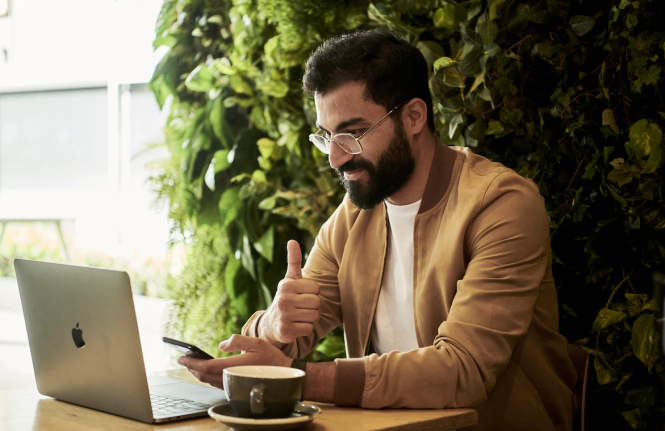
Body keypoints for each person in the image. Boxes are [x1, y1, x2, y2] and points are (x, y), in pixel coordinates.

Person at [178, 28, 578, 431]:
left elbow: (463, 370)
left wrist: (300, 380)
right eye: (327, 136)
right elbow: (280, 343)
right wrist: (275, 324)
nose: (335, 158)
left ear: (414, 116)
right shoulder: (355, 214)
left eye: (352, 134)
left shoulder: (500, 204)